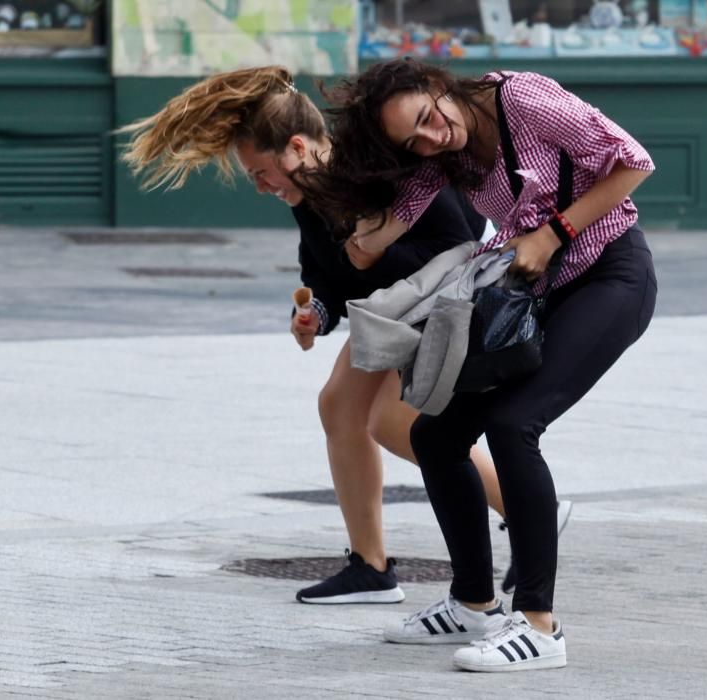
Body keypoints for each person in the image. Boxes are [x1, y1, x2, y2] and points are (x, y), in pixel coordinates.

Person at [118, 66, 520, 614]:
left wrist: (373, 253)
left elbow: (458, 241)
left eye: (261, 173)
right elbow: (323, 275)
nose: (261, 187)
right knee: (340, 407)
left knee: (393, 423)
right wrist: (316, 313)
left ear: (299, 147)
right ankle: (371, 568)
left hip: (439, 305)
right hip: (388, 313)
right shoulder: (308, 199)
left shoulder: (372, 168)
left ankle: (526, 511)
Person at [302, 58, 657, 670]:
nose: (432, 138)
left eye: (428, 119)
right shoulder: (443, 155)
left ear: (437, 85)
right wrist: (353, 228)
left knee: (515, 424)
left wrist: (553, 232)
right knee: (436, 435)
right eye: (413, 140)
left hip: (608, 275)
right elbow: (394, 223)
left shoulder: (521, 101)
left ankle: (541, 628)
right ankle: (472, 604)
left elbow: (633, 161)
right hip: (534, 290)